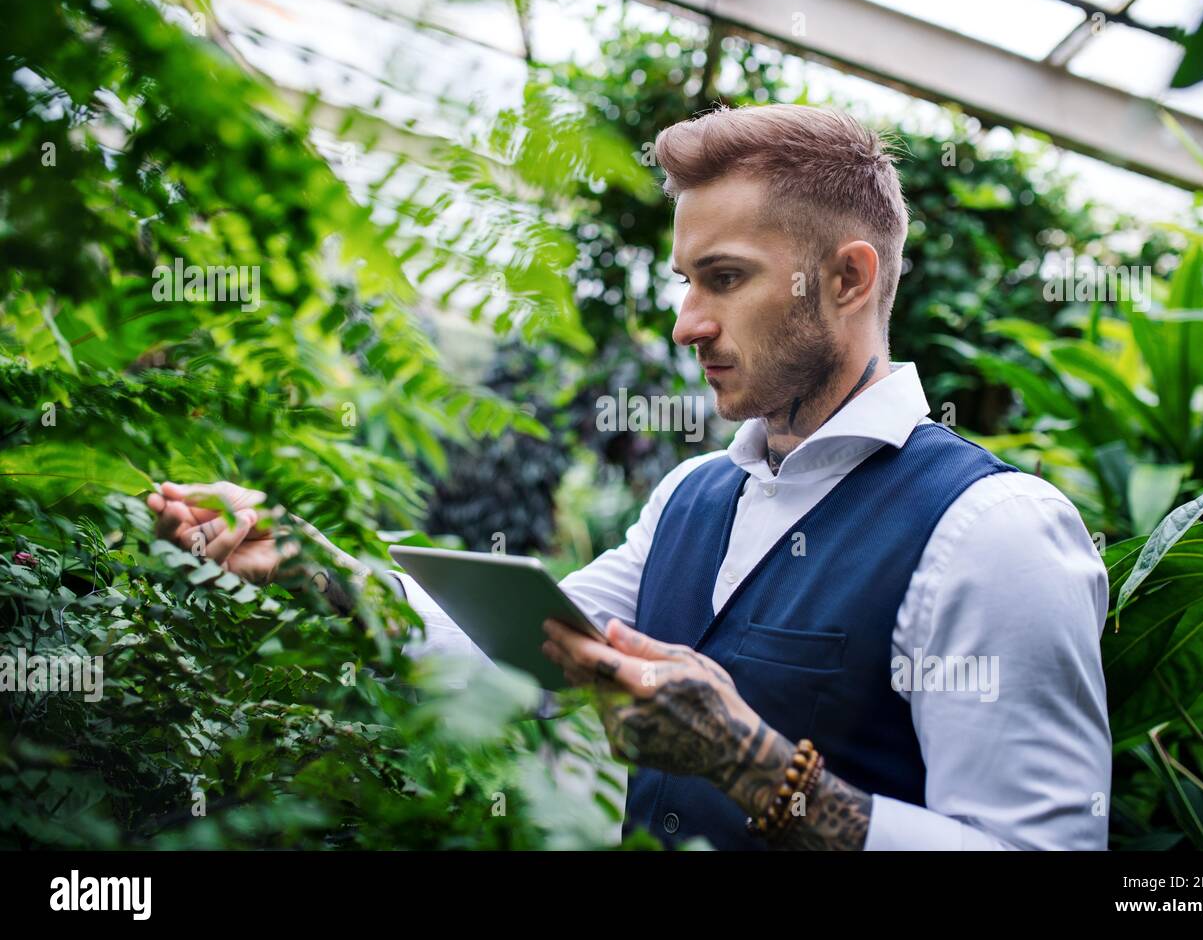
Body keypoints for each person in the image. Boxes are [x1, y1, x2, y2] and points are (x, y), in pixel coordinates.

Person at [149, 103, 1111, 851]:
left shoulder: (995, 531)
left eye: (724, 278)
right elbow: (511, 644)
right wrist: (311, 566)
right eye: (685, 281)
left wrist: (759, 769)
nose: (687, 323)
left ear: (849, 279)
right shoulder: (691, 497)